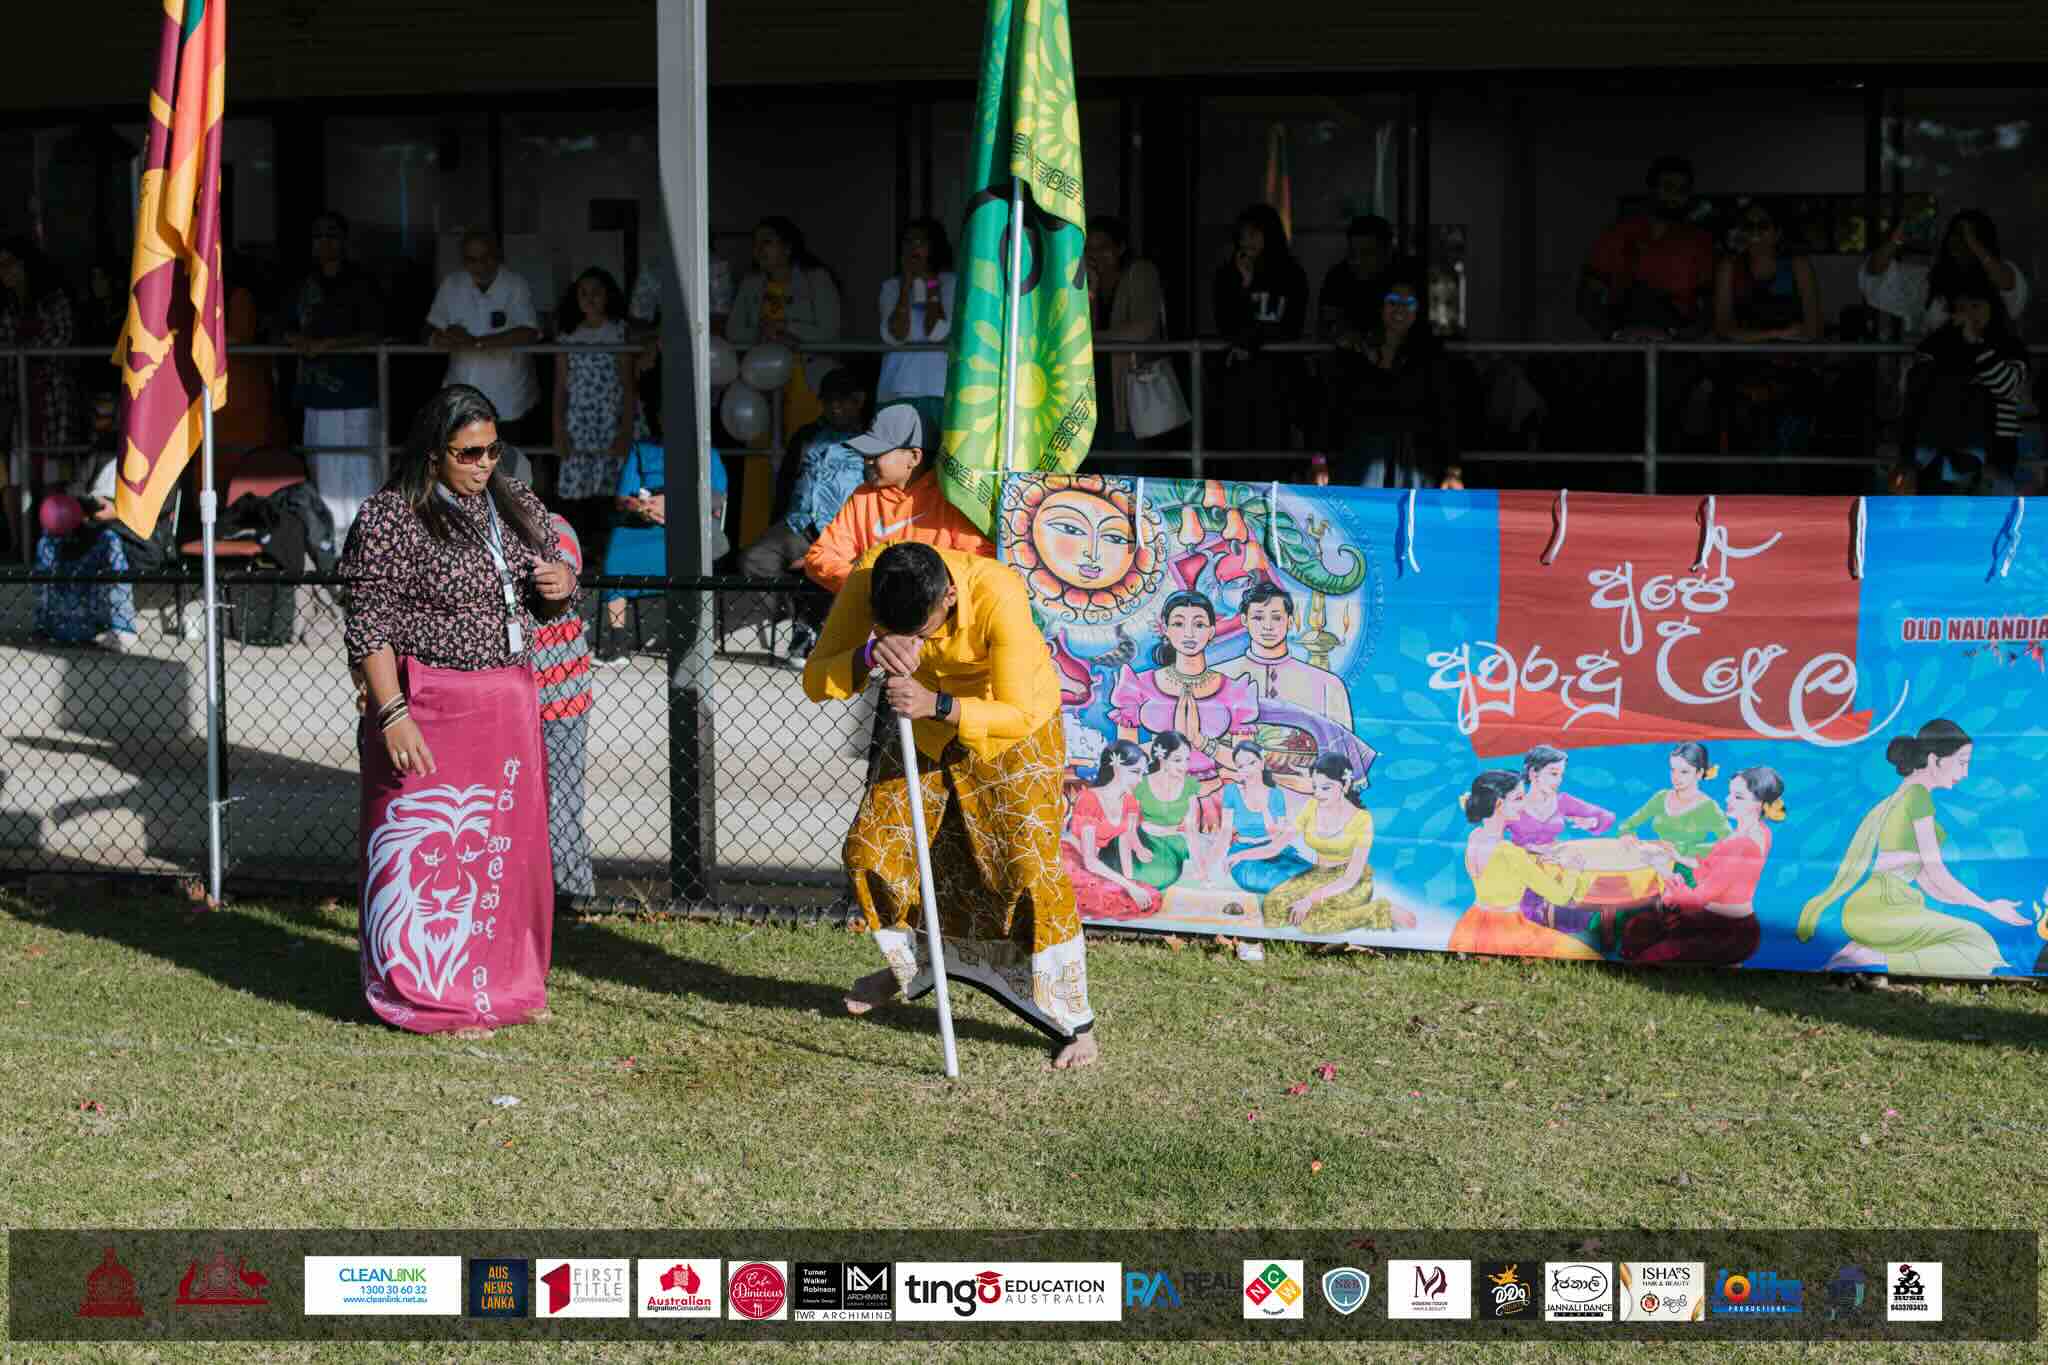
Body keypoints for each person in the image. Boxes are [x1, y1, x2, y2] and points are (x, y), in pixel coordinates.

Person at [802, 540, 1100, 1069]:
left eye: (928, 630)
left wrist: (940, 703)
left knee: (1027, 870)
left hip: (1010, 731)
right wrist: (870, 654)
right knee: (873, 852)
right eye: (907, 635)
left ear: (950, 597)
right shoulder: (868, 579)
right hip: (921, 730)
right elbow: (816, 681)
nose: (924, 642)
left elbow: (1018, 711)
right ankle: (910, 970)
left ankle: (1075, 1022)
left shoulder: (996, 592)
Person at [339, 384, 579, 1035]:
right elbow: (368, 623)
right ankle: (420, 989)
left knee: (499, 849)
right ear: (433, 453)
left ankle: (501, 981)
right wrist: (392, 713)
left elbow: (546, 590)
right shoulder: (392, 515)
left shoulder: (516, 502)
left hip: (506, 705)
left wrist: (560, 586)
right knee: (420, 849)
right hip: (428, 706)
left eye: (493, 450)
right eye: (469, 452)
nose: (484, 464)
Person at [1798, 719, 2026, 976]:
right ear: (1934, 760)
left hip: (1882, 906)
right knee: (1977, 945)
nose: (1965, 774)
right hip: (1881, 907)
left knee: (1975, 939)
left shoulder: (1906, 795)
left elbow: (1931, 884)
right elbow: (1937, 873)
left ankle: (1863, 952)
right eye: (1962, 762)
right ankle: (1870, 955)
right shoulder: (1917, 796)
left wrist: (1981, 906)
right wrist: (1988, 907)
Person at [728, 367, 867, 659]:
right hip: (798, 523)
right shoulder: (807, 435)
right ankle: (795, 615)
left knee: (826, 570)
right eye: (829, 401)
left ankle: (813, 630)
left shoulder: (869, 440)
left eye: (842, 401)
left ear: (859, 400)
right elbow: (786, 481)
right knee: (754, 559)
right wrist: (777, 522)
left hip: (840, 530)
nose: (834, 407)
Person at [797, 401, 991, 595]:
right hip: (874, 619)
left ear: (914, 457)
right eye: (866, 454)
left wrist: (922, 588)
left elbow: (981, 563)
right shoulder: (863, 497)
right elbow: (819, 558)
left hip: (937, 620)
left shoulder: (952, 498)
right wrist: (873, 584)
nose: (867, 461)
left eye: (876, 453)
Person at [286, 211, 388, 536]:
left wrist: (329, 345)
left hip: (355, 391)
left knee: (360, 467)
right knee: (321, 464)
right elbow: (278, 327)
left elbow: (377, 332)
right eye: (318, 237)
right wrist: (298, 341)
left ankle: (369, 539)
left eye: (331, 235)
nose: (324, 243)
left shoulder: (362, 282)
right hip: (316, 393)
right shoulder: (302, 283)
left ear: (344, 241)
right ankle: (327, 540)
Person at [1621, 766, 1785, 967]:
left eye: (1738, 797)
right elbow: (1716, 868)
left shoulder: (1740, 844)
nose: (1728, 800)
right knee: (1641, 926)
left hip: (1725, 934)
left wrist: (1662, 868)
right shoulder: (1759, 831)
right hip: (1727, 925)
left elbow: (1697, 899)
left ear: (1760, 804)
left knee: (1644, 950)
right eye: (1730, 793)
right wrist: (1678, 857)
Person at [1446, 771, 1604, 961]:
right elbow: (1560, 897)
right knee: (1585, 952)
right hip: (1508, 931)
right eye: (1519, 798)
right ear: (1498, 804)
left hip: (1474, 924)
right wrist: (1573, 869)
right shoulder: (1511, 853)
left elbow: (1498, 868)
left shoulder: (1476, 837)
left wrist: (1533, 853)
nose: (1525, 804)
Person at [1109, 589, 1260, 786]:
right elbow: (1124, 758)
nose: (1189, 633)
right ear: (1165, 629)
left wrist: (1200, 741)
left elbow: (1247, 763)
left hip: (1213, 792)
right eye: (1179, 624)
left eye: (1199, 624)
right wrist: (1168, 745)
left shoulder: (1234, 691)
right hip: (1157, 796)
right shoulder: (1138, 686)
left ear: (1211, 631)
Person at [1899, 275, 2032, 495]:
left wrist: (1975, 344)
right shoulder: (1934, 346)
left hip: (1994, 457)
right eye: (1962, 308)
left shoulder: (2011, 347)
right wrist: (1906, 458)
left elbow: (2006, 386)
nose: (1970, 314)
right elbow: (1914, 399)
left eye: (1976, 306)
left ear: (1993, 307)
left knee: (1990, 523)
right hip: (1933, 459)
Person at [1712, 201, 1823, 465]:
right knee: (1741, 445)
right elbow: (1723, 328)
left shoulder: (1798, 264)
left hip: (1793, 370)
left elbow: (1813, 330)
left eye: (1763, 225)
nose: (1755, 232)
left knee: (1791, 450)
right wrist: (1779, 333)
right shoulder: (1729, 266)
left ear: (1778, 232)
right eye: (1748, 226)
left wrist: (1755, 335)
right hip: (1742, 371)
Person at [1327, 268, 1459, 488]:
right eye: (1393, 300)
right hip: (1359, 467)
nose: (1400, 308)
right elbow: (1331, 407)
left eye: (1409, 303)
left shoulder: (1431, 355)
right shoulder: (1354, 352)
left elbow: (1446, 413)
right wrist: (1320, 460)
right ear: (1379, 304)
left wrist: (1453, 470)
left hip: (1415, 467)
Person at [598, 438, 727, 663]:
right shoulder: (641, 449)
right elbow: (622, 498)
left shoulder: (706, 448)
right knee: (617, 552)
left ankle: (688, 640)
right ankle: (618, 643)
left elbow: (718, 497)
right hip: (644, 520)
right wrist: (641, 506)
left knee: (686, 556)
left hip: (686, 520)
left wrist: (674, 502)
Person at [1259, 751, 1411, 935]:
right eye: (1315, 787)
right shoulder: (1312, 806)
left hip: (1351, 881)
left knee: (1313, 922)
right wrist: (1240, 855)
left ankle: (1379, 910)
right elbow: (1278, 844)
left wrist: (1309, 900)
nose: (1318, 794)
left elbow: (1349, 878)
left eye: (1326, 788)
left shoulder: (1362, 819)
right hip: (1318, 874)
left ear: (1345, 784)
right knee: (1271, 907)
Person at [726, 216, 842, 437]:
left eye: (767, 242)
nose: (759, 249)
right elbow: (733, 332)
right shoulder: (751, 282)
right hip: (758, 382)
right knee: (762, 447)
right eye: (755, 244)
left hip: (805, 378)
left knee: (800, 445)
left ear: (787, 248)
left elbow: (830, 331)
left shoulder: (817, 278)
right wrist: (761, 332)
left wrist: (786, 328)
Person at [426, 231, 542, 448]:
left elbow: (529, 332)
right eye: (472, 259)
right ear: (464, 260)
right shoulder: (453, 284)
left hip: (509, 396)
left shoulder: (515, 284)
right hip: (461, 392)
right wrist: (444, 337)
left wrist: (477, 342)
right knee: (463, 466)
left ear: (497, 255)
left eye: (485, 257)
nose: (479, 265)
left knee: (507, 469)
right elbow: (430, 329)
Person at [535, 510, 597, 914]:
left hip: (558, 695)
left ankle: (575, 898)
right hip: (501, 693)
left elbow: (565, 562)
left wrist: (561, 574)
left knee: (559, 803)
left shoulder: (552, 526)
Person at [1581, 155, 1715, 340]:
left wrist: (1680, 336)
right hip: (1623, 331)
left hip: (1676, 335)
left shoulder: (1699, 242)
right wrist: (1614, 334)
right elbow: (1590, 295)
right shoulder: (1618, 234)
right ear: (1652, 189)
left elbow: (1709, 306)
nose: (1674, 196)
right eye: (1668, 187)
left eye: (1682, 190)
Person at [1212, 203, 1308, 459]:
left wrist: (1251, 342)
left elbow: (1290, 325)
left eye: (1256, 234)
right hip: (1239, 381)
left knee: (1274, 451)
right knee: (1238, 451)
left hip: (1278, 378)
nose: (1249, 241)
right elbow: (1226, 324)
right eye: (1244, 235)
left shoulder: (1291, 274)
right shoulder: (1228, 275)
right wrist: (1245, 284)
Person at [552, 266, 635, 553]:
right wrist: (558, 428)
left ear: (608, 296)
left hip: (609, 418)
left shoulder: (618, 331)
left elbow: (627, 384)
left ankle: (610, 552)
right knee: (579, 492)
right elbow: (561, 387)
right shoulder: (568, 335)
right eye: (583, 293)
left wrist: (626, 428)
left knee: (612, 488)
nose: (590, 299)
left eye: (596, 293)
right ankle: (580, 550)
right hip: (579, 420)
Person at [0, 237, 81, 523]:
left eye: (10, 265)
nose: (5, 273)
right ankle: (17, 544)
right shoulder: (8, 305)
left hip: (51, 397)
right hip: (17, 398)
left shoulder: (54, 299)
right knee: (16, 475)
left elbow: (58, 341)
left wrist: (25, 351)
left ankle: (50, 539)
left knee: (52, 472)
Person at [1860, 209, 2029, 338]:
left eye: (1968, 237)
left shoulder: (1998, 275)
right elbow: (1876, 273)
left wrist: (1975, 246)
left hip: (1988, 374)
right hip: (1941, 373)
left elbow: (2007, 284)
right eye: (1955, 235)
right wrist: (1895, 240)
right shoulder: (1930, 280)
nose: (1960, 242)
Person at [1216, 579, 1353, 728]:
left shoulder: (1329, 686)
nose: (1268, 626)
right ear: (1244, 620)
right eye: (1258, 618)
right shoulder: (1218, 677)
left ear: (1290, 621)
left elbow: (1342, 747)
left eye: (1276, 618)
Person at [31, 463, 137, 651]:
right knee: (48, 542)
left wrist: (119, 511)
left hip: (125, 523)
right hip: (88, 517)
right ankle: (48, 622)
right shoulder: (100, 454)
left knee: (110, 542)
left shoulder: (146, 455)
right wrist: (88, 504)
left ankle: (120, 625)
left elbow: (156, 506)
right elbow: (74, 487)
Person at [1084, 215, 1166, 454]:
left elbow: (1142, 328)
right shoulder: (1086, 281)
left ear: (1120, 248)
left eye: (1103, 248)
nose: (1095, 255)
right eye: (1089, 249)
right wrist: (1091, 288)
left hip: (1130, 386)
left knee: (1126, 460)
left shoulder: (1140, 272)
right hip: (1094, 388)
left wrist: (1094, 339)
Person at [1062, 739, 1157, 920]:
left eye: (1142, 773)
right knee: (1107, 898)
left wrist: (1130, 881)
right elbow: (1089, 860)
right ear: (1116, 768)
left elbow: (1126, 840)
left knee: (1147, 897)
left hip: (1097, 866)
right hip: (1074, 860)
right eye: (1135, 772)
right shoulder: (1089, 798)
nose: (1139, 779)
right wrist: (1129, 887)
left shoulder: (1130, 801)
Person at [877, 217, 956, 428]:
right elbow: (896, 335)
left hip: (938, 388)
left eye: (920, 242)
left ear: (934, 247)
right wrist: (905, 287)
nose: (913, 248)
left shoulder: (951, 283)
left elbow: (938, 333)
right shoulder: (891, 287)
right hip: (898, 386)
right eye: (908, 242)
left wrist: (930, 283)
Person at [1617, 742, 1732, 886]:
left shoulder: (1709, 807)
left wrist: (1684, 850)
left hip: (1688, 873)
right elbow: (1628, 824)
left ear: (1699, 773)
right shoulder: (1661, 797)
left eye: (1684, 772)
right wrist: (1626, 834)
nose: (1676, 777)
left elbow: (1730, 845)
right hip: (1655, 866)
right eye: (1673, 770)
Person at [1219, 742, 1313, 895]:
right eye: (1241, 766)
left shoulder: (1276, 794)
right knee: (1273, 880)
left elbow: (1276, 837)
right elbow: (1225, 832)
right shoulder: (1231, 791)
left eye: (1252, 762)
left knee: (1311, 876)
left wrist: (1264, 809)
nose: (1247, 770)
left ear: (1262, 763)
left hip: (1273, 850)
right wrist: (1209, 865)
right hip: (1243, 854)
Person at [1132, 730, 1203, 893]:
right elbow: (1130, 825)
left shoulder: (1190, 785)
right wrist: (1138, 847)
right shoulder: (1141, 784)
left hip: (1174, 842)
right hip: (1143, 840)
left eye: (1187, 759)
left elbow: (1191, 829)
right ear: (1161, 758)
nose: (1184, 766)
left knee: (1162, 877)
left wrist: (1200, 867)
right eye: (1177, 760)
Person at [1320, 215, 1399, 343]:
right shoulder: (1338, 278)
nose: (1358, 261)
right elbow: (1327, 325)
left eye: (1368, 254)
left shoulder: (1403, 277)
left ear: (1388, 253)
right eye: (1352, 254)